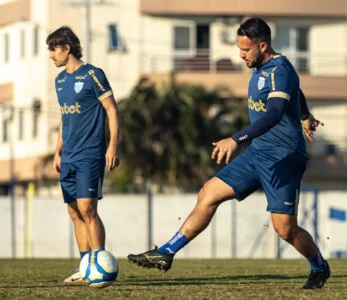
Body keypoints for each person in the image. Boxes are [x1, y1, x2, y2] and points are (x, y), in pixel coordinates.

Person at [127, 17, 329, 289]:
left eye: (246, 50)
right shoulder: (262, 67)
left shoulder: (279, 70)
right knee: (209, 193)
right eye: (239, 48)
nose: (241, 55)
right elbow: (297, 91)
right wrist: (305, 115)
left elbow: (274, 113)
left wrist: (236, 139)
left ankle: (319, 266)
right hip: (258, 152)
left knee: (284, 229)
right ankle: (167, 251)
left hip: (284, 157)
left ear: (263, 46)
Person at [46, 26, 120, 283]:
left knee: (88, 208)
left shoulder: (93, 74)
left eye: (53, 49)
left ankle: (100, 266)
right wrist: (57, 152)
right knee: (74, 211)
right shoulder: (59, 81)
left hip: (90, 153)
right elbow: (64, 118)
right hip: (68, 157)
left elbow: (111, 110)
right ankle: (85, 267)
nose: (50, 55)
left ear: (67, 48)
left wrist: (112, 146)